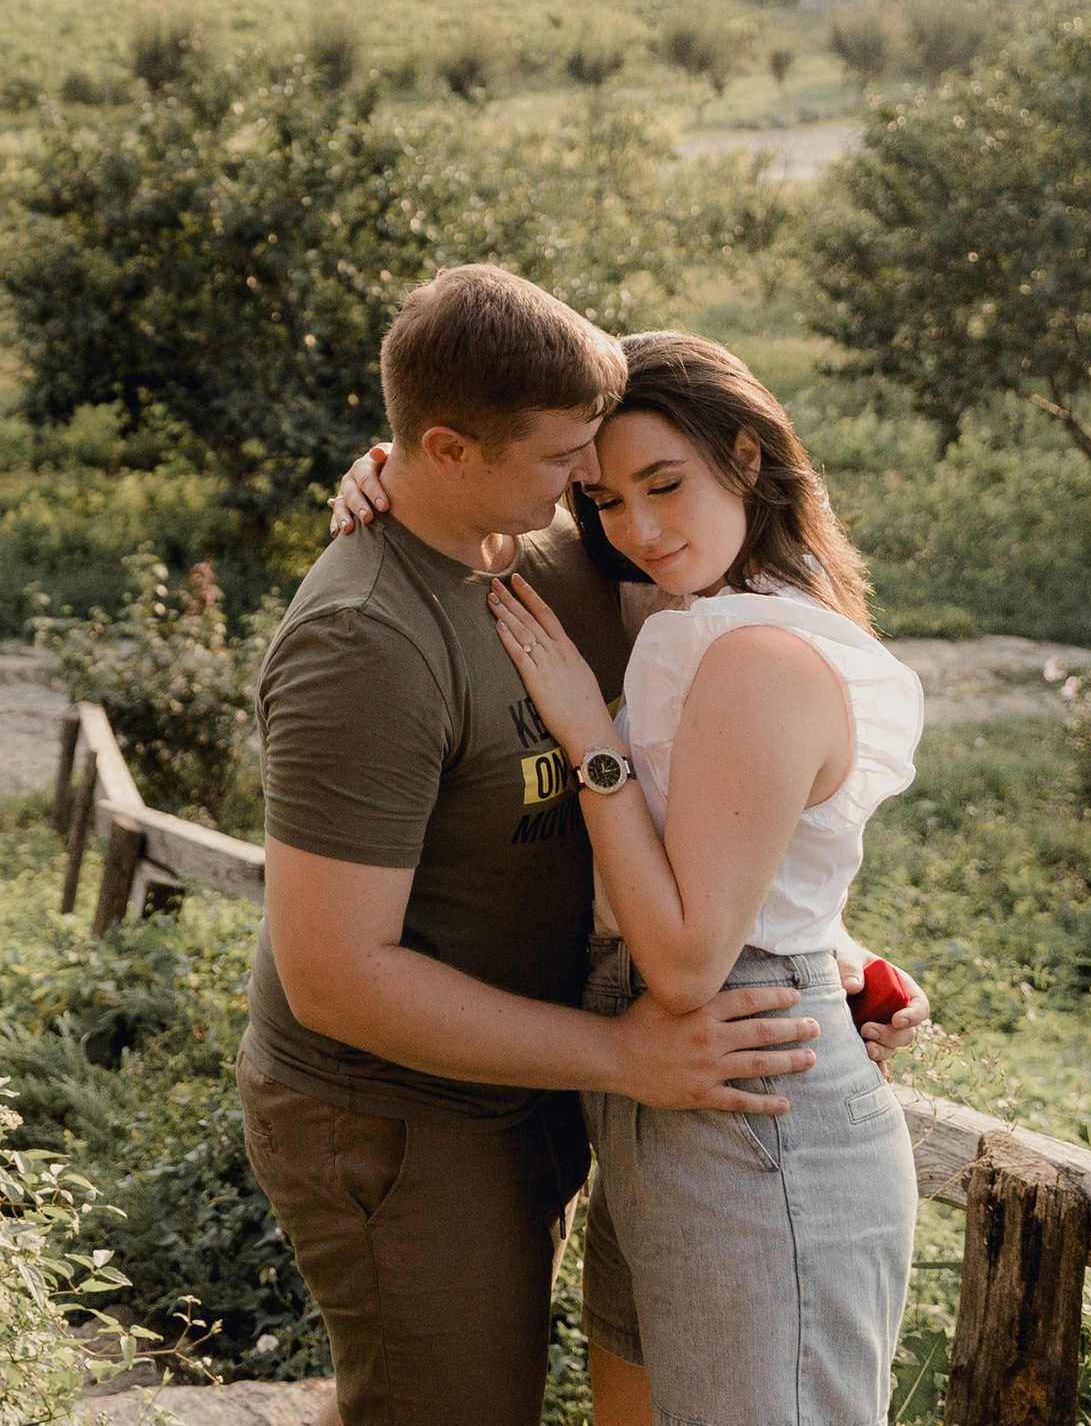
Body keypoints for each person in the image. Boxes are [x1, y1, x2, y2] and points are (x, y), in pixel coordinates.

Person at [244, 267, 925, 1426]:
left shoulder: (563, 554)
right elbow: (333, 979)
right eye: (575, 466)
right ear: (452, 450)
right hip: (401, 1111)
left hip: (552, 1072)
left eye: (608, 474)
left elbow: (716, 791)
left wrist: (823, 946)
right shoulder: (363, 640)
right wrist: (623, 1057)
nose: (594, 492)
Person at [482, 332, 923, 1426]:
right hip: (656, 1100)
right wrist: (381, 469)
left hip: (746, 1109)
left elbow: (685, 963)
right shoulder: (690, 617)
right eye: (605, 500)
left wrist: (588, 730)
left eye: (664, 484)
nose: (637, 528)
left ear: (745, 454)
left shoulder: (760, 652)